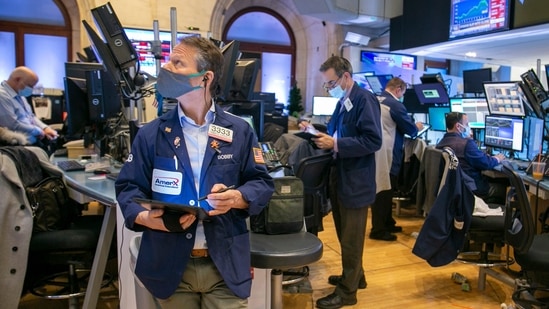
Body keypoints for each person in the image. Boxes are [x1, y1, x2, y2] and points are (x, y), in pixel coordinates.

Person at [115, 37, 274, 309]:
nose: (166, 67)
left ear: (205, 77)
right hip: (170, 264)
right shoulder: (151, 134)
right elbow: (128, 187)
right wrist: (145, 218)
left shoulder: (239, 131)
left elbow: (261, 182)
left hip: (224, 262)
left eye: (178, 62)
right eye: (169, 60)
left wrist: (236, 197)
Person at [311, 56, 382, 309]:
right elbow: (338, 132)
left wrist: (336, 144)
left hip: (356, 181)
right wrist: (318, 132)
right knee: (344, 235)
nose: (330, 89)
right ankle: (355, 276)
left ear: (346, 77)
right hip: (341, 177)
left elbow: (373, 141)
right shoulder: (344, 101)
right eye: (327, 86)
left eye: (331, 83)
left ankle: (348, 293)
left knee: (351, 238)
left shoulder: (364, 99)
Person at [370, 77, 424, 241]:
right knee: (385, 189)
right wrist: (418, 127)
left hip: (376, 149)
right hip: (388, 151)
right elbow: (410, 130)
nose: (402, 96)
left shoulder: (376, 99)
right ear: (399, 89)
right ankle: (378, 229)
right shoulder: (395, 105)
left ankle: (387, 222)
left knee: (384, 187)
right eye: (403, 93)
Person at [436, 112, 506, 204]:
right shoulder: (466, 144)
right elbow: (486, 163)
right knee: (503, 189)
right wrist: (497, 158)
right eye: (466, 124)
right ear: (458, 126)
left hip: (453, 190)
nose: (469, 127)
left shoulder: (440, 144)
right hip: (471, 190)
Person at [0, 67, 58, 149]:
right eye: (30, 85)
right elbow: (13, 125)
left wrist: (45, 128)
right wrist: (38, 131)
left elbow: (31, 116)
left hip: (33, 143)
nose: (31, 89)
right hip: (18, 146)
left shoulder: (20, 96)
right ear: (17, 79)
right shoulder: (2, 96)